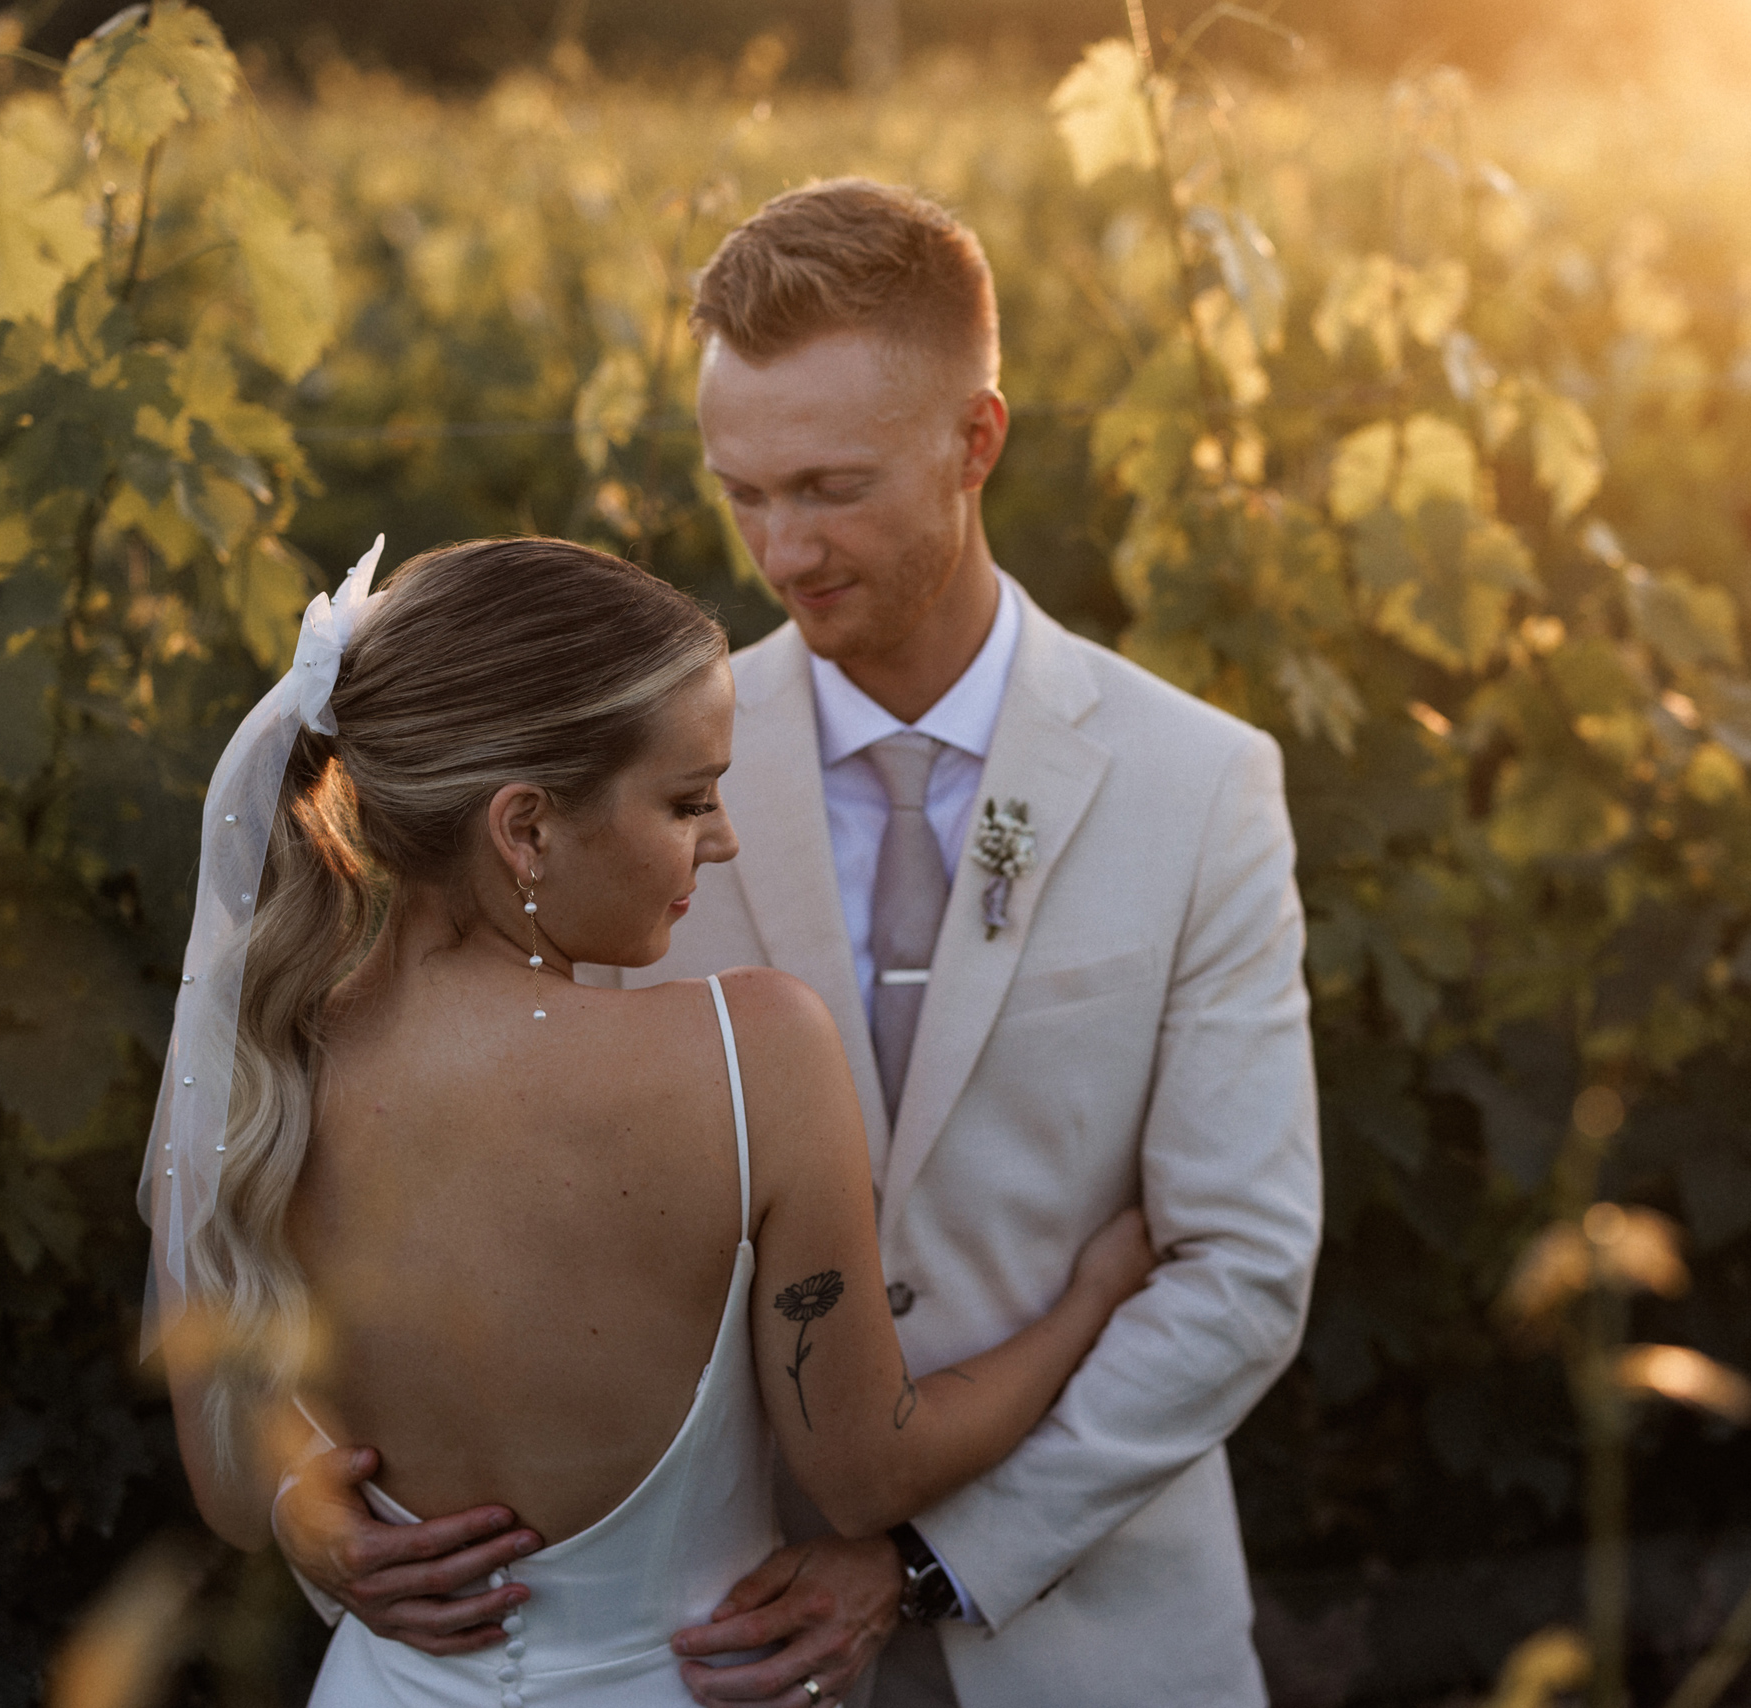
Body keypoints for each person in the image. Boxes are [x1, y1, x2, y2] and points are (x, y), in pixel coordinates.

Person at [274, 179, 1324, 1708]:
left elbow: (1243, 1266)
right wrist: (317, 1486)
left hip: (1089, 1639)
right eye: (741, 490)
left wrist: (926, 1560)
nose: (780, 548)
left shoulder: (1203, 784)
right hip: (708, 1641)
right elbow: (424, 1153)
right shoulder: (613, 785)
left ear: (977, 442)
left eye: (830, 487)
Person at [143, 534, 1159, 1707]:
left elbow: (228, 1488)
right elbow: (869, 1473)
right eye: (687, 800)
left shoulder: (266, 1058)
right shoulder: (752, 1055)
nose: (719, 839)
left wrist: (304, 1506)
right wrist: (1095, 1291)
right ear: (524, 829)